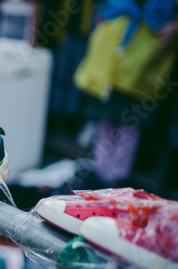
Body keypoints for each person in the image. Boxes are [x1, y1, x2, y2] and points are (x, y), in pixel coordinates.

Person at [74, 0, 178, 188]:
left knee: (131, 124)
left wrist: (174, 26)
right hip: (113, 52)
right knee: (106, 119)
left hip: (146, 53)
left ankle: (114, 177)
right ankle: (101, 172)